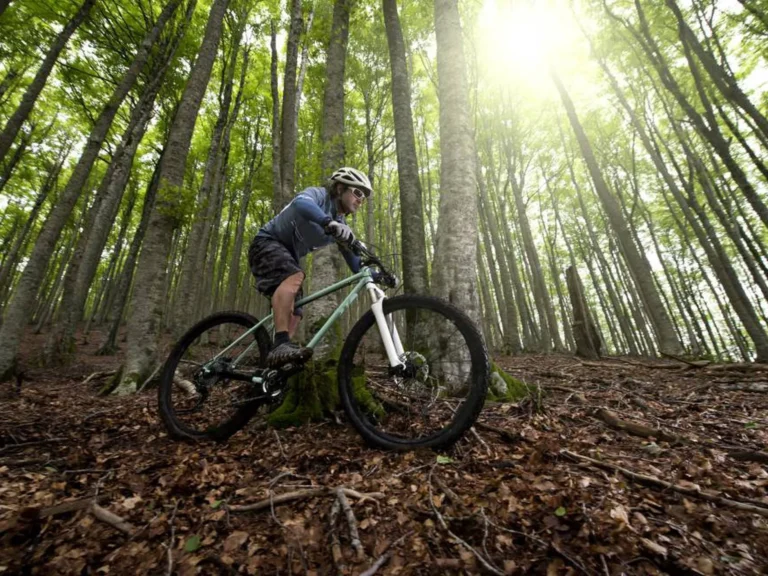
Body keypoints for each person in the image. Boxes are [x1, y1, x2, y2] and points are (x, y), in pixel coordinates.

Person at [248, 167, 372, 367]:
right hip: (266, 243)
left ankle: (278, 358)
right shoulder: (319, 195)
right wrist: (327, 221)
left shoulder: (339, 224)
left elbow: (355, 264)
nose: (360, 200)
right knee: (295, 276)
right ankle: (280, 343)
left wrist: (374, 274)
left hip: (287, 257)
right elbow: (300, 203)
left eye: (364, 197)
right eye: (358, 192)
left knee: (297, 310)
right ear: (340, 188)